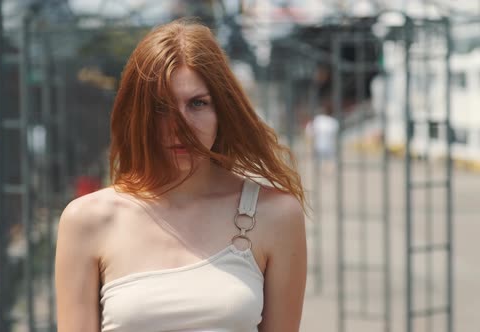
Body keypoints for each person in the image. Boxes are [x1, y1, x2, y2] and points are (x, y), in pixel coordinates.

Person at [55, 18, 307, 332]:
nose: (179, 125)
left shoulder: (276, 214)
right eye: (161, 107)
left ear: (223, 111)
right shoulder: (87, 220)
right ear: (138, 114)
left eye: (198, 103)